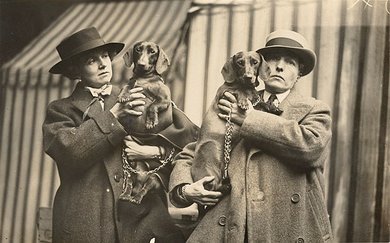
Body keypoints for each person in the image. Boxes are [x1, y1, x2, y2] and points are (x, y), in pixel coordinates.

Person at [169, 29, 333, 242]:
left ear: (299, 73)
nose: (279, 66)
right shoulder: (233, 100)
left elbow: (311, 148)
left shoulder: (314, 109)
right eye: (273, 59)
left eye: (290, 62)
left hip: (287, 228)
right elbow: (197, 148)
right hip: (231, 223)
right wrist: (185, 189)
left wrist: (248, 120)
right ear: (261, 67)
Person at [43, 27, 198, 243]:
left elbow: (189, 141)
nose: (102, 64)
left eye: (105, 56)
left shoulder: (138, 91)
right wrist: (113, 116)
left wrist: (154, 150)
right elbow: (70, 153)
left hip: (142, 222)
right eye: (90, 60)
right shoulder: (61, 110)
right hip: (88, 225)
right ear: (74, 70)